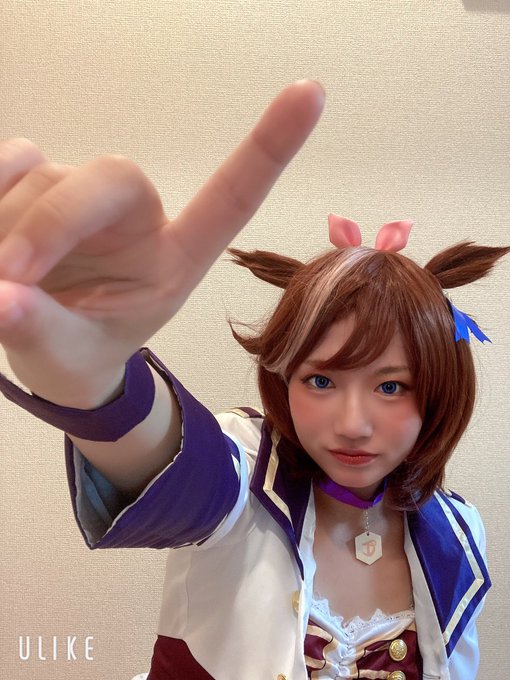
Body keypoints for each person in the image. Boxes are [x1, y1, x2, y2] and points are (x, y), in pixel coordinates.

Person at [0, 80, 507, 680]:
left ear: (441, 393)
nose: (352, 424)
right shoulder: (244, 477)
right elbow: (179, 464)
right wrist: (97, 382)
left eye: (391, 387)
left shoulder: (457, 534)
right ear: (284, 376)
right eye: (321, 381)